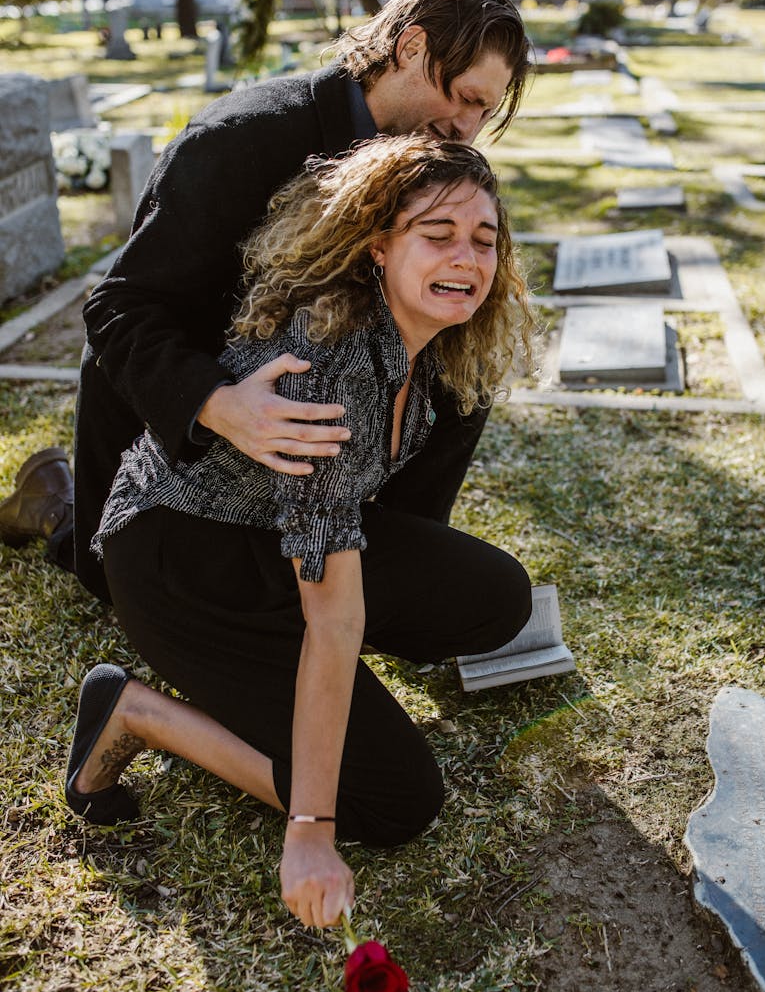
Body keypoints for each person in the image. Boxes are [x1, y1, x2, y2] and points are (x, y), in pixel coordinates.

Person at [65, 135, 535, 929]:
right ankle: (135, 711)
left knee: (496, 598)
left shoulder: (419, 341)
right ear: (378, 247)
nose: (468, 257)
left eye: (484, 240)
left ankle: (296, 688)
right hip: (182, 566)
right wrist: (310, 831)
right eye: (439, 234)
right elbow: (333, 617)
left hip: (266, 540)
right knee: (395, 801)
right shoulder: (330, 375)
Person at [0, 0, 530, 604]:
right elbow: (119, 308)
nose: (468, 127)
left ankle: (392, 560)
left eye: (485, 111)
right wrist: (220, 404)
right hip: (184, 431)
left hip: (314, 429)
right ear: (410, 48)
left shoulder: (433, 164)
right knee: (112, 580)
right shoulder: (242, 140)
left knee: (463, 363)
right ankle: (53, 500)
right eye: (465, 98)